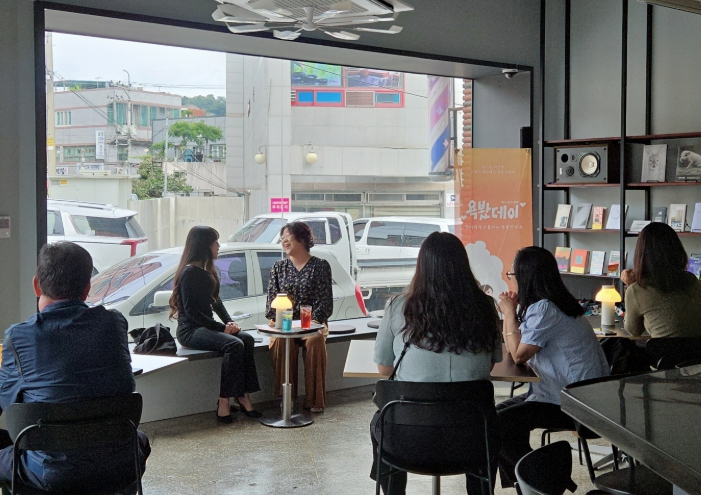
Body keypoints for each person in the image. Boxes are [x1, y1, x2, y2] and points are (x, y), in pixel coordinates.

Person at [0, 242, 150, 493]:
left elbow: (7, 404)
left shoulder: (19, 337)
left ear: (36, 285)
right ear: (88, 288)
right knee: (140, 440)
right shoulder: (114, 323)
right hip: (119, 465)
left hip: (52, 472)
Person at [371, 232, 502, 495]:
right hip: (472, 442)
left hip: (407, 441)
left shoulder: (398, 307)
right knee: (488, 421)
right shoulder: (486, 307)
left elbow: (385, 368)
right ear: (463, 265)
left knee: (381, 421)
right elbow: (490, 364)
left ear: (422, 266)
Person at [496, 246, 609, 487]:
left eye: (512, 274)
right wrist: (510, 314)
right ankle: (530, 484)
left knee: (498, 424)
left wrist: (509, 313)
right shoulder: (554, 304)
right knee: (494, 418)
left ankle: (545, 482)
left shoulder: (545, 309)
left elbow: (517, 355)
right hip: (572, 394)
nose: (511, 280)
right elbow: (515, 346)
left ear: (525, 277)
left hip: (572, 402)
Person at [170, 226, 261, 422]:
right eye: (215, 242)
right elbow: (192, 313)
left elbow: (216, 302)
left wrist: (230, 323)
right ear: (204, 245)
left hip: (205, 327)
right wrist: (222, 329)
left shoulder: (207, 271)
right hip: (190, 330)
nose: (218, 246)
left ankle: (242, 394)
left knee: (246, 338)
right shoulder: (189, 273)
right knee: (234, 344)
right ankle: (223, 401)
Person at [265, 221, 333, 413]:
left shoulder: (320, 266)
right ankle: (286, 398)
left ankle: (314, 400)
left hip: (311, 323)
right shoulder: (278, 267)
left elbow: (325, 302)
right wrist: (281, 320)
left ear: (302, 238)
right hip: (285, 323)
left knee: (315, 341)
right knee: (281, 341)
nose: (284, 241)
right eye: (282, 238)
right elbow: (271, 303)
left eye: (288, 236)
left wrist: (313, 323)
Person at [621, 222, 701, 338]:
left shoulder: (637, 290)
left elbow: (633, 331)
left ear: (641, 254)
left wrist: (630, 286)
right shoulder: (692, 280)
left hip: (664, 350)